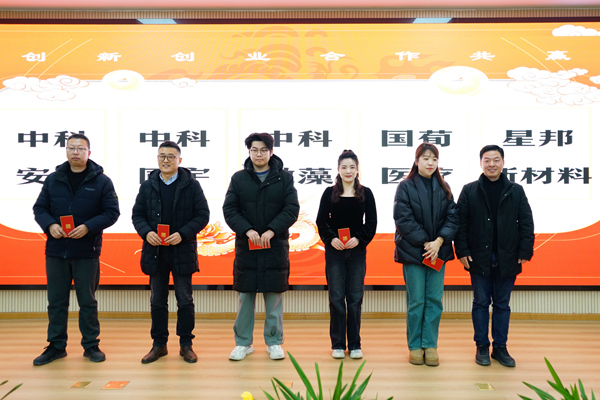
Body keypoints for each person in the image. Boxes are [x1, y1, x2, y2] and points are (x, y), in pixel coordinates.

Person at [32, 133, 120, 366]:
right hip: (56, 250)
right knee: (56, 302)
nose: (75, 152)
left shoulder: (102, 181)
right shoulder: (53, 179)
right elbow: (40, 208)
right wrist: (50, 225)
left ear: (89, 152)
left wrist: (88, 227)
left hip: (86, 251)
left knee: (87, 302)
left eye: (80, 148)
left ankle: (91, 345)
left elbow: (112, 212)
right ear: (66, 151)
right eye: (71, 148)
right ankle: (56, 346)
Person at [454, 144, 534, 368]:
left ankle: (500, 347)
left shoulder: (516, 190)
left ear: (503, 162)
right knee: (480, 303)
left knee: (502, 304)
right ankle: (481, 346)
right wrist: (462, 251)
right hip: (478, 256)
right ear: (481, 163)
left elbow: (526, 222)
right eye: (487, 160)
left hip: (508, 256)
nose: (491, 164)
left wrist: (525, 251)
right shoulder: (469, 190)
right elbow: (460, 224)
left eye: (496, 160)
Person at [223, 133, 299, 361]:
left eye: (264, 150)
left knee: (273, 297)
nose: (259, 154)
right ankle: (243, 343)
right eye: (254, 150)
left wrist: (271, 231)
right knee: (245, 297)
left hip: (274, 246)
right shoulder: (239, 179)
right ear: (249, 152)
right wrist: (247, 230)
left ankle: (274, 342)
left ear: (271, 152)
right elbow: (230, 209)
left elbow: (291, 209)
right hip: (247, 246)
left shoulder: (284, 179)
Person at [132, 141, 210, 364]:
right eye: (162, 156)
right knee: (157, 300)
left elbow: (202, 215)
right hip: (155, 251)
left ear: (179, 160)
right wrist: (147, 233)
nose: (166, 160)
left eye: (171, 156)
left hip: (182, 249)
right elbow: (137, 215)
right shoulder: (147, 186)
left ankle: (186, 344)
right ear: (157, 159)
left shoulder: (191, 185)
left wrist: (183, 234)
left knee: (184, 299)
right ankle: (159, 344)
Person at [393, 143, 459, 367]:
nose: (430, 163)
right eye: (426, 158)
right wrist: (426, 243)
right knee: (417, 300)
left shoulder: (444, 187)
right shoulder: (405, 186)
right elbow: (403, 219)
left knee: (434, 300)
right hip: (413, 252)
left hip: (437, 252)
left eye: (434, 159)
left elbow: (453, 218)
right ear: (416, 161)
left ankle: (430, 344)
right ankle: (414, 346)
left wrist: (438, 241)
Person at [316, 150, 377, 360]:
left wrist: (359, 239)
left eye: (352, 167)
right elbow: (321, 221)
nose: (348, 171)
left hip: (357, 252)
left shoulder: (366, 193)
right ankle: (338, 344)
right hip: (335, 252)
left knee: (355, 298)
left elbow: (371, 223)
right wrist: (331, 238)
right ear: (338, 169)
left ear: (357, 169)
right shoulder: (329, 193)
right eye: (344, 167)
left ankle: (355, 344)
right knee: (336, 297)